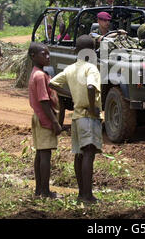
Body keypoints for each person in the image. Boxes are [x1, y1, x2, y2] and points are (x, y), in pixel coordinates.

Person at [49, 35, 102, 204]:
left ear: (77, 51)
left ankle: (81, 193)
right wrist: (93, 107)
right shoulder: (91, 68)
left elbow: (52, 83)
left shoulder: (70, 69)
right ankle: (87, 195)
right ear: (91, 51)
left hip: (77, 117)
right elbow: (90, 86)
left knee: (79, 155)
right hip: (88, 116)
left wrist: (71, 92)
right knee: (88, 153)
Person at [28, 42, 62, 198]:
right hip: (44, 118)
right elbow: (44, 100)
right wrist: (54, 122)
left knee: (40, 153)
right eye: (44, 54)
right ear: (33, 56)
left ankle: (38, 190)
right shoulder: (40, 76)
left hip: (38, 117)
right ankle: (45, 191)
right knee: (45, 155)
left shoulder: (36, 72)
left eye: (48, 53)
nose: (47, 56)